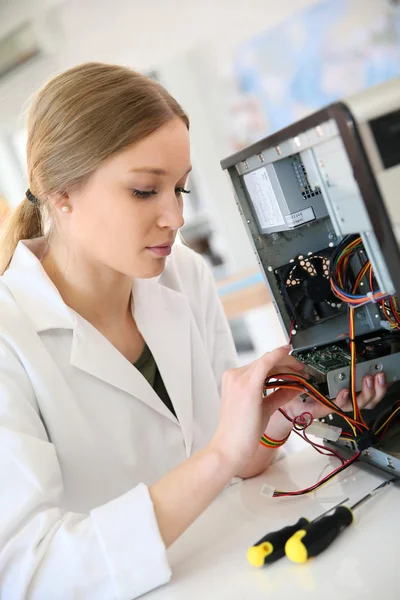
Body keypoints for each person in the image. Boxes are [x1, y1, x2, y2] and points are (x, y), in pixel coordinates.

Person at [0, 62, 387, 600]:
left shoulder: (183, 275)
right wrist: (220, 456)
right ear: (60, 192)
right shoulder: (9, 336)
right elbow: (30, 572)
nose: (175, 217)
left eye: (180, 188)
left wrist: (276, 417)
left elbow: (235, 464)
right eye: (144, 191)